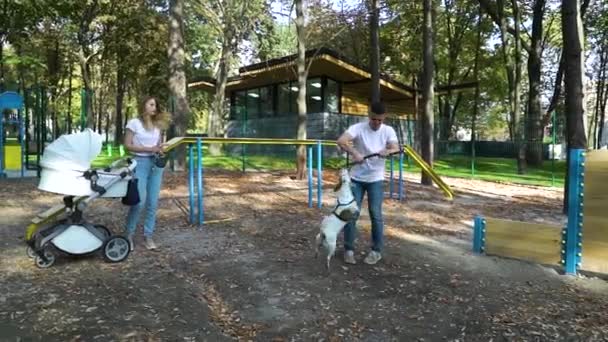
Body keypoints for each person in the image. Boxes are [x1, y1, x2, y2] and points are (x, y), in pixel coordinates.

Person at [336, 101, 401, 265]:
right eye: (373, 119)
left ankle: (376, 251)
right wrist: (354, 152)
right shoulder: (358, 128)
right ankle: (349, 250)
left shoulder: (388, 130)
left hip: (376, 179)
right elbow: (341, 141)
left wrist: (388, 151)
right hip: (356, 178)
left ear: (384, 118)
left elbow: (396, 148)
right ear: (368, 115)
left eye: (380, 120)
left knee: (376, 214)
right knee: (351, 213)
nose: (377, 123)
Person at [123, 96, 170, 251]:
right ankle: (128, 235)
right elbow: (127, 146)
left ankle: (148, 235)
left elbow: (157, 145)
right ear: (143, 105)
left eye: (155, 104)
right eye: (151, 104)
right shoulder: (134, 123)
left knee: (153, 202)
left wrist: (161, 149)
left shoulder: (158, 126)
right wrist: (149, 149)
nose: (154, 107)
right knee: (139, 202)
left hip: (155, 165)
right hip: (139, 163)